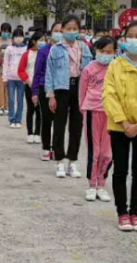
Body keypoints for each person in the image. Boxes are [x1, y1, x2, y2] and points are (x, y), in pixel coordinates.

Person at [103, 21, 137, 232]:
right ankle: (122, 213)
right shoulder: (115, 65)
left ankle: (136, 212)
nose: (134, 40)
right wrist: (124, 121)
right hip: (119, 127)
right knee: (120, 171)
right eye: (130, 36)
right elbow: (109, 95)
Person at [45, 16, 92, 178]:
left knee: (76, 126)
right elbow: (49, 73)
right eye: (68, 28)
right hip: (61, 89)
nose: (71, 32)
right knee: (59, 125)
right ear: (62, 29)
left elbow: (89, 72)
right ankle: (60, 161)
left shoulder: (84, 48)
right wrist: (50, 95)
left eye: (75, 29)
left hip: (79, 88)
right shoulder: (55, 49)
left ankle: (72, 161)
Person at [79, 36, 115, 203]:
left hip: (112, 114)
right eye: (102, 51)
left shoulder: (116, 68)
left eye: (109, 52)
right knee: (95, 151)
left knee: (107, 153)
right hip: (93, 111)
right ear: (96, 51)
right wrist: (83, 108)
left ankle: (102, 184)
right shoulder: (89, 68)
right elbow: (82, 90)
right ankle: (91, 185)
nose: (105, 55)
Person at [31, 26, 58, 160]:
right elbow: (37, 72)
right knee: (46, 119)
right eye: (56, 31)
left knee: (59, 121)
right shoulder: (43, 51)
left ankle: (56, 147)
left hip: (60, 88)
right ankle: (46, 148)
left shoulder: (66, 50)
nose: (59, 33)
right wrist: (35, 92)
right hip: (44, 87)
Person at [18, 32, 43, 143]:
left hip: (41, 86)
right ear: (34, 41)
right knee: (30, 109)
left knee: (40, 111)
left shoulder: (44, 53)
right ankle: (30, 133)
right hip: (29, 85)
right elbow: (21, 70)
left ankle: (38, 133)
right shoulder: (27, 54)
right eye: (41, 40)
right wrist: (28, 81)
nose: (43, 42)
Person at [4, 29, 27, 129]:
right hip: (11, 78)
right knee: (11, 99)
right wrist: (4, 78)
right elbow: (5, 63)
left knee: (20, 100)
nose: (18, 38)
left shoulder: (26, 49)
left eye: (20, 36)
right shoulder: (9, 49)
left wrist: (27, 77)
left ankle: (18, 120)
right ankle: (12, 119)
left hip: (21, 79)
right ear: (13, 38)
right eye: (16, 36)